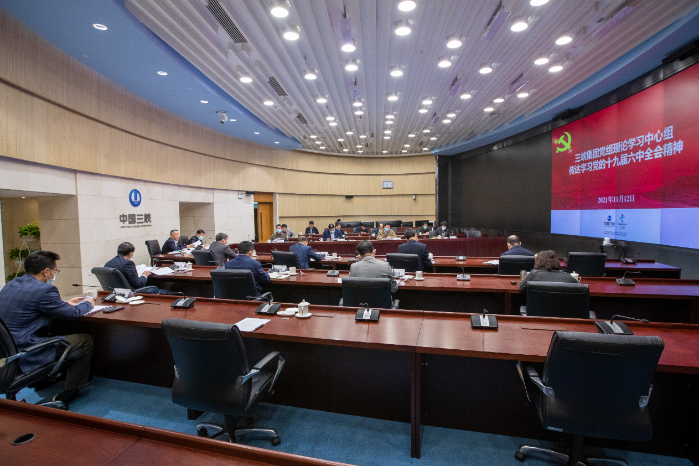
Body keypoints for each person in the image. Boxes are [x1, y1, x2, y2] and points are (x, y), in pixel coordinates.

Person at [0, 251, 94, 403]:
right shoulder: (45, 289)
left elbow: (29, 305)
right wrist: (89, 303)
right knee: (85, 340)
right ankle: (71, 390)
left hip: (5, 352)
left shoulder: (11, 284)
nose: (54, 274)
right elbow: (73, 313)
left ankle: (45, 380)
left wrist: (64, 303)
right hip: (26, 350)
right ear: (46, 271)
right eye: (55, 271)